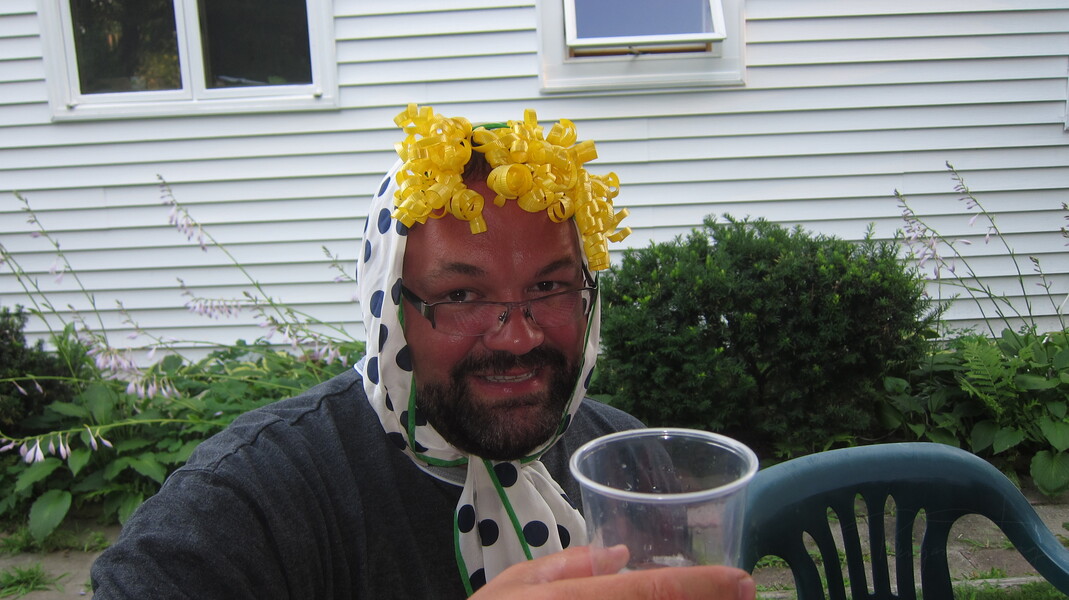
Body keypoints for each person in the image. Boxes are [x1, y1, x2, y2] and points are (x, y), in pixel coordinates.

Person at [89, 105, 757, 600]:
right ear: (389, 309)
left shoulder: (624, 464)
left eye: (549, 287)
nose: (517, 336)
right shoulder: (254, 501)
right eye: (461, 295)